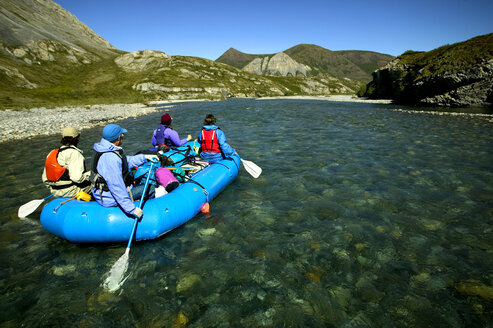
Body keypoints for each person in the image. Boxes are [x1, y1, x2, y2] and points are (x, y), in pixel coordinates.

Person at [91, 124, 158, 218]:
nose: (122, 137)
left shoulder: (103, 148)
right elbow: (116, 186)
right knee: (150, 188)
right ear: (118, 138)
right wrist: (131, 209)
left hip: (102, 193)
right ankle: (149, 212)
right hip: (109, 199)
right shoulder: (111, 158)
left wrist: (145, 157)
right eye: (122, 135)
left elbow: (126, 161)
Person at [42, 126, 91, 198]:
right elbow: (77, 178)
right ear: (77, 138)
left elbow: (45, 178)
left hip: (55, 191)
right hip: (71, 191)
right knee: (97, 184)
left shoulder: (52, 152)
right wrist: (91, 174)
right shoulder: (74, 153)